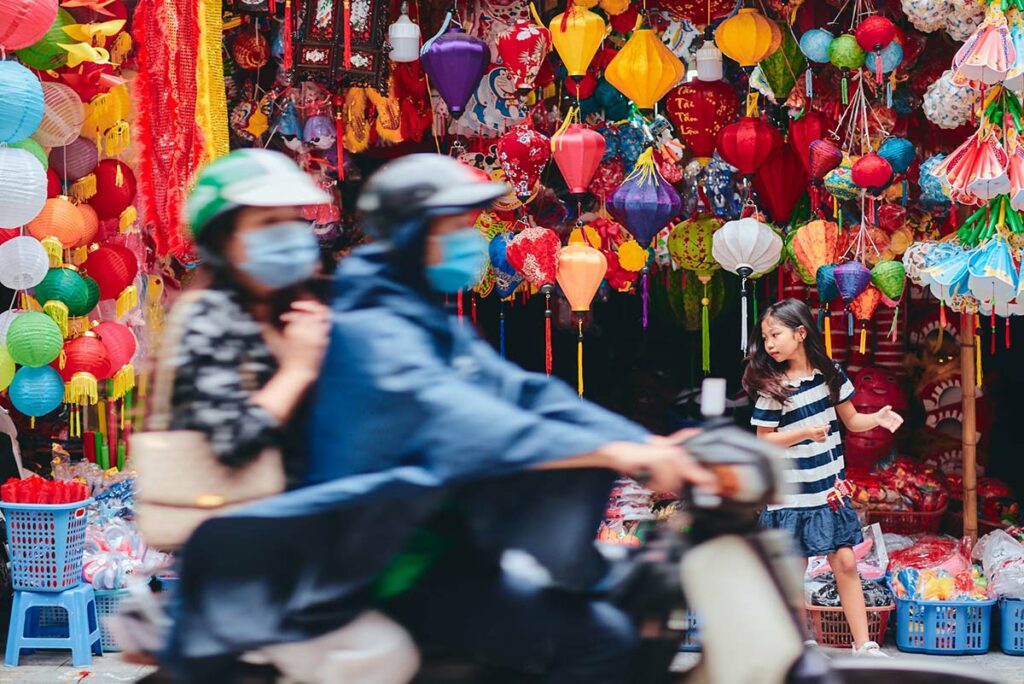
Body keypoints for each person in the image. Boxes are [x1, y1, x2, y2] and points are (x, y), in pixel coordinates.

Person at [165, 154, 713, 684]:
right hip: (368, 552)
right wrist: (615, 454)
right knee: (598, 637)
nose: (465, 240)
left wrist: (642, 441)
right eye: (452, 226)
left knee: (620, 592)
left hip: (415, 533)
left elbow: (524, 393)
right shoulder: (358, 323)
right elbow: (455, 417)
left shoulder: (402, 313)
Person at [144, 149, 419, 683]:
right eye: (266, 223)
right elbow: (233, 440)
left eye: (290, 220)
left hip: (312, 546)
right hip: (248, 566)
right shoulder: (208, 316)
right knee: (380, 656)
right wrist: (295, 370)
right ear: (226, 239)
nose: (287, 234)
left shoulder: (293, 306)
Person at [743, 298, 903, 657]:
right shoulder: (774, 388)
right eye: (766, 337)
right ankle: (799, 641)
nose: (769, 344)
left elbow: (852, 422)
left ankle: (864, 644)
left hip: (829, 491)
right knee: (793, 569)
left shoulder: (829, 374)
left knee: (845, 562)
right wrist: (803, 434)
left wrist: (877, 417)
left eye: (775, 335)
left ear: (800, 334)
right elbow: (764, 443)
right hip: (791, 496)